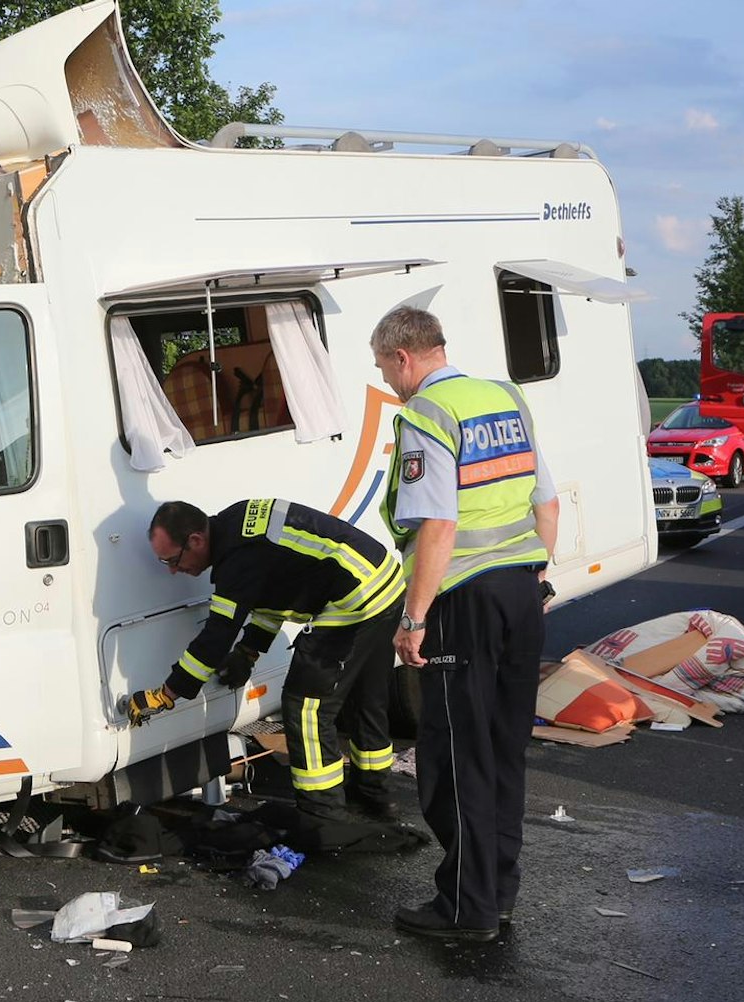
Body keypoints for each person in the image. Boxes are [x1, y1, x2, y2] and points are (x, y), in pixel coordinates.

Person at [372, 305, 558, 943]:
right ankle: (497, 894)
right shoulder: (504, 398)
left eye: (383, 367)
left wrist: (413, 618)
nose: (388, 382)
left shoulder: (426, 413)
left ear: (404, 357)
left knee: (454, 760)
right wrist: (536, 576)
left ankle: (465, 908)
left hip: (463, 602)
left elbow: (438, 525)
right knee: (505, 753)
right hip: (522, 593)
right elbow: (546, 499)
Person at [126, 499, 405, 822]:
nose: (175, 571)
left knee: (306, 706)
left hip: (355, 598)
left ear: (196, 541)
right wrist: (249, 651)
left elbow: (216, 637)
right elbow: (273, 597)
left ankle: (322, 813)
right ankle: (375, 797)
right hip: (384, 581)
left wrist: (168, 694)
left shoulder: (236, 562)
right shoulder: (237, 521)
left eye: (172, 560)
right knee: (365, 699)